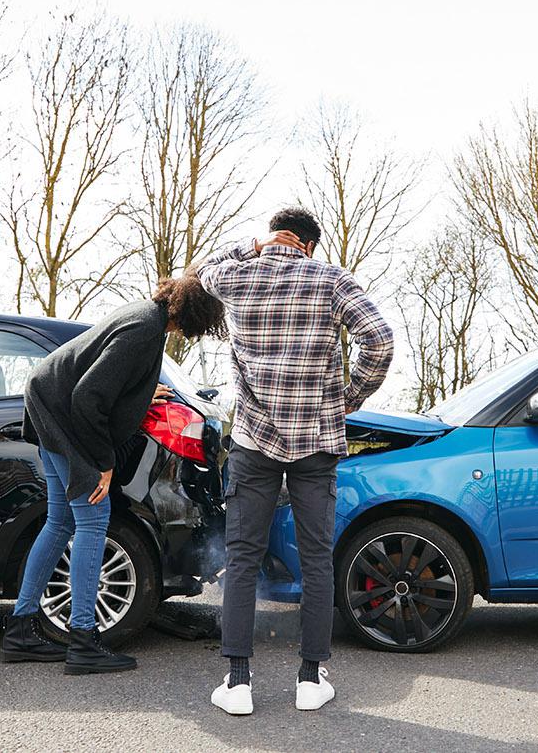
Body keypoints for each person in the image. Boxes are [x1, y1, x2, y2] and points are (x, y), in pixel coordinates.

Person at [197, 207, 394, 714]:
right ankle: (310, 678)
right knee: (315, 559)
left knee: (242, 558)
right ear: (310, 244)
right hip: (316, 439)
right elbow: (380, 339)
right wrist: (350, 396)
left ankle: (237, 682)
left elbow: (200, 271)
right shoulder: (330, 278)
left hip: (254, 439)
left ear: (273, 237)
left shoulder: (238, 275)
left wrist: (249, 248)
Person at [2, 274, 225, 675]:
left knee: (60, 521)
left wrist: (141, 394)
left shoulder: (145, 316)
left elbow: (106, 380)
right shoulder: (145, 329)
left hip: (49, 403)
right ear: (198, 314)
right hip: (64, 415)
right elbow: (89, 397)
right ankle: (84, 640)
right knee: (93, 518)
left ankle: (20, 629)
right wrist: (103, 463)